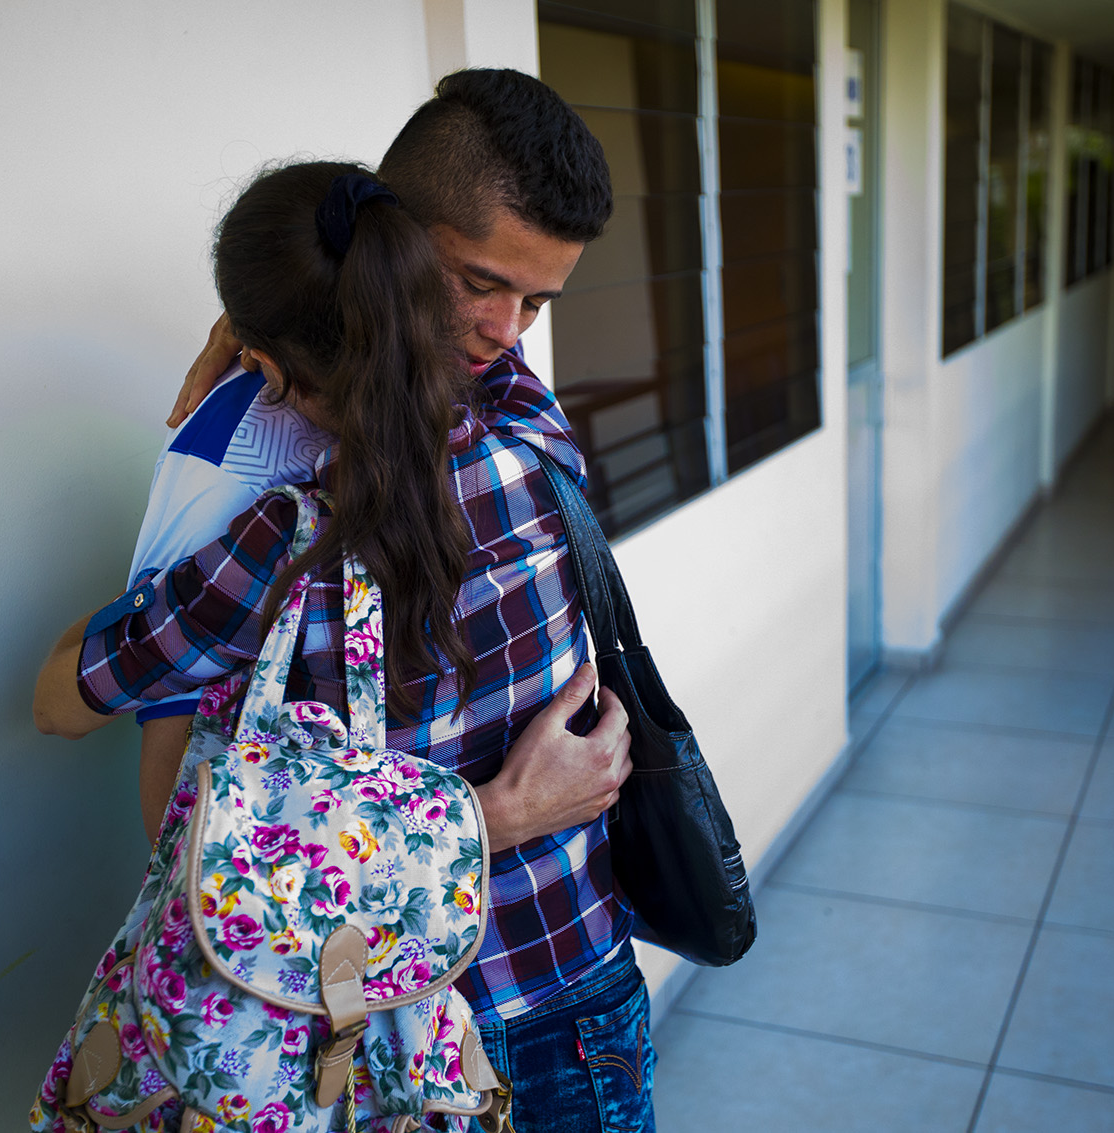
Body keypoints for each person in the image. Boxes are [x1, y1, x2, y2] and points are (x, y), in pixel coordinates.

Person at [34, 70, 657, 1133]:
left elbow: (65, 703)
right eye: (482, 285)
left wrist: (253, 333)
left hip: (371, 1030)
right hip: (566, 974)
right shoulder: (529, 429)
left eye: (536, 302)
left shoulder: (272, 540)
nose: (509, 332)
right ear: (394, 245)